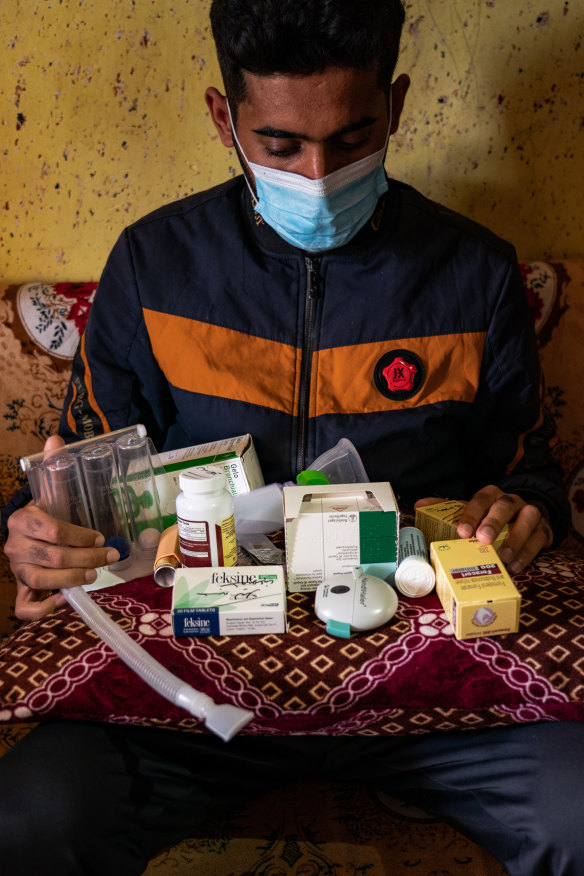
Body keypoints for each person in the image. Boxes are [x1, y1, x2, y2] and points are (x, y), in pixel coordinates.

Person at [1, 1, 582, 874]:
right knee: (33, 818)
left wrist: (526, 511)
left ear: (395, 104)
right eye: (279, 146)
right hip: (196, 680)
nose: (317, 177)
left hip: (423, 689)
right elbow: (78, 472)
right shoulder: (154, 266)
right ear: (222, 117)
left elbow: (528, 473)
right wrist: (36, 529)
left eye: (352, 141)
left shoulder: (473, 272)